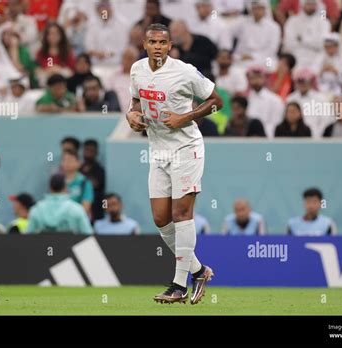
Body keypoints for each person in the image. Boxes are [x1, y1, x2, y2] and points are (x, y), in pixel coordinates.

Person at [126, 23, 223, 304]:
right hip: (158, 151)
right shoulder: (137, 70)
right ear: (144, 45)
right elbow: (135, 101)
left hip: (186, 148)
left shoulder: (185, 72)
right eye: (152, 42)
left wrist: (186, 117)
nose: (157, 46)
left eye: (162, 42)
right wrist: (131, 116)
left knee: (182, 214)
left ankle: (178, 285)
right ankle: (199, 271)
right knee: (160, 218)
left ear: (170, 46)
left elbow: (218, 102)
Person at [26, 173, 93, 234]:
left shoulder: (36, 209)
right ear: (65, 187)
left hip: (42, 247)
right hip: (69, 246)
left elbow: (28, 238)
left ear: (50, 187)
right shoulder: (77, 209)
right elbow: (88, 235)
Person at [283, 0, 331, 70]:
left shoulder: (324, 22)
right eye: (308, 4)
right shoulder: (292, 20)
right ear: (302, 5)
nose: (311, 7)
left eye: (313, 4)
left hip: (316, 56)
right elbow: (288, 43)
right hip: (296, 54)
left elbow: (322, 44)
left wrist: (302, 40)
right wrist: (312, 41)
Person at [232, 0, 281, 68]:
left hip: (266, 58)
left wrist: (253, 56)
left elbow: (272, 49)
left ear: (265, 9)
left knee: (270, 66)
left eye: (259, 8)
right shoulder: (242, 23)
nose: (256, 11)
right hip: (244, 56)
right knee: (233, 66)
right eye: (254, 8)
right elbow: (228, 34)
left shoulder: (274, 27)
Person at [287, 68, 330, 138]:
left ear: (310, 81)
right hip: (294, 138)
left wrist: (318, 136)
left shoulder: (321, 99)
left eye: (304, 81)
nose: (302, 84)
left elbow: (325, 121)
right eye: (299, 81)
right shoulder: (290, 99)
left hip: (316, 138)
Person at [85, 0, 129, 66]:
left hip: (116, 64)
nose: (103, 9)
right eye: (101, 7)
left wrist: (106, 54)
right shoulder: (91, 24)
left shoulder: (122, 24)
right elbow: (89, 46)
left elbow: (123, 48)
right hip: (96, 64)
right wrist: (97, 54)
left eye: (106, 6)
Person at [246, 65, 285, 138]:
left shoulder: (275, 100)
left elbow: (276, 123)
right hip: (249, 140)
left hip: (269, 139)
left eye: (259, 77)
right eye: (253, 78)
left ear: (265, 78)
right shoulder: (246, 99)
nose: (256, 81)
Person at [60, 149, 94, 217]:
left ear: (78, 163)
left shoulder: (84, 182)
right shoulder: (57, 181)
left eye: (70, 160)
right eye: (64, 160)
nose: (66, 163)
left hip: (77, 221)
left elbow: (86, 207)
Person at [80, 139, 106, 221]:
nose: (88, 153)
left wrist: (85, 174)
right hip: (79, 205)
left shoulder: (99, 170)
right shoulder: (79, 168)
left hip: (95, 208)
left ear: (96, 152)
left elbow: (94, 184)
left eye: (91, 151)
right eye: (86, 150)